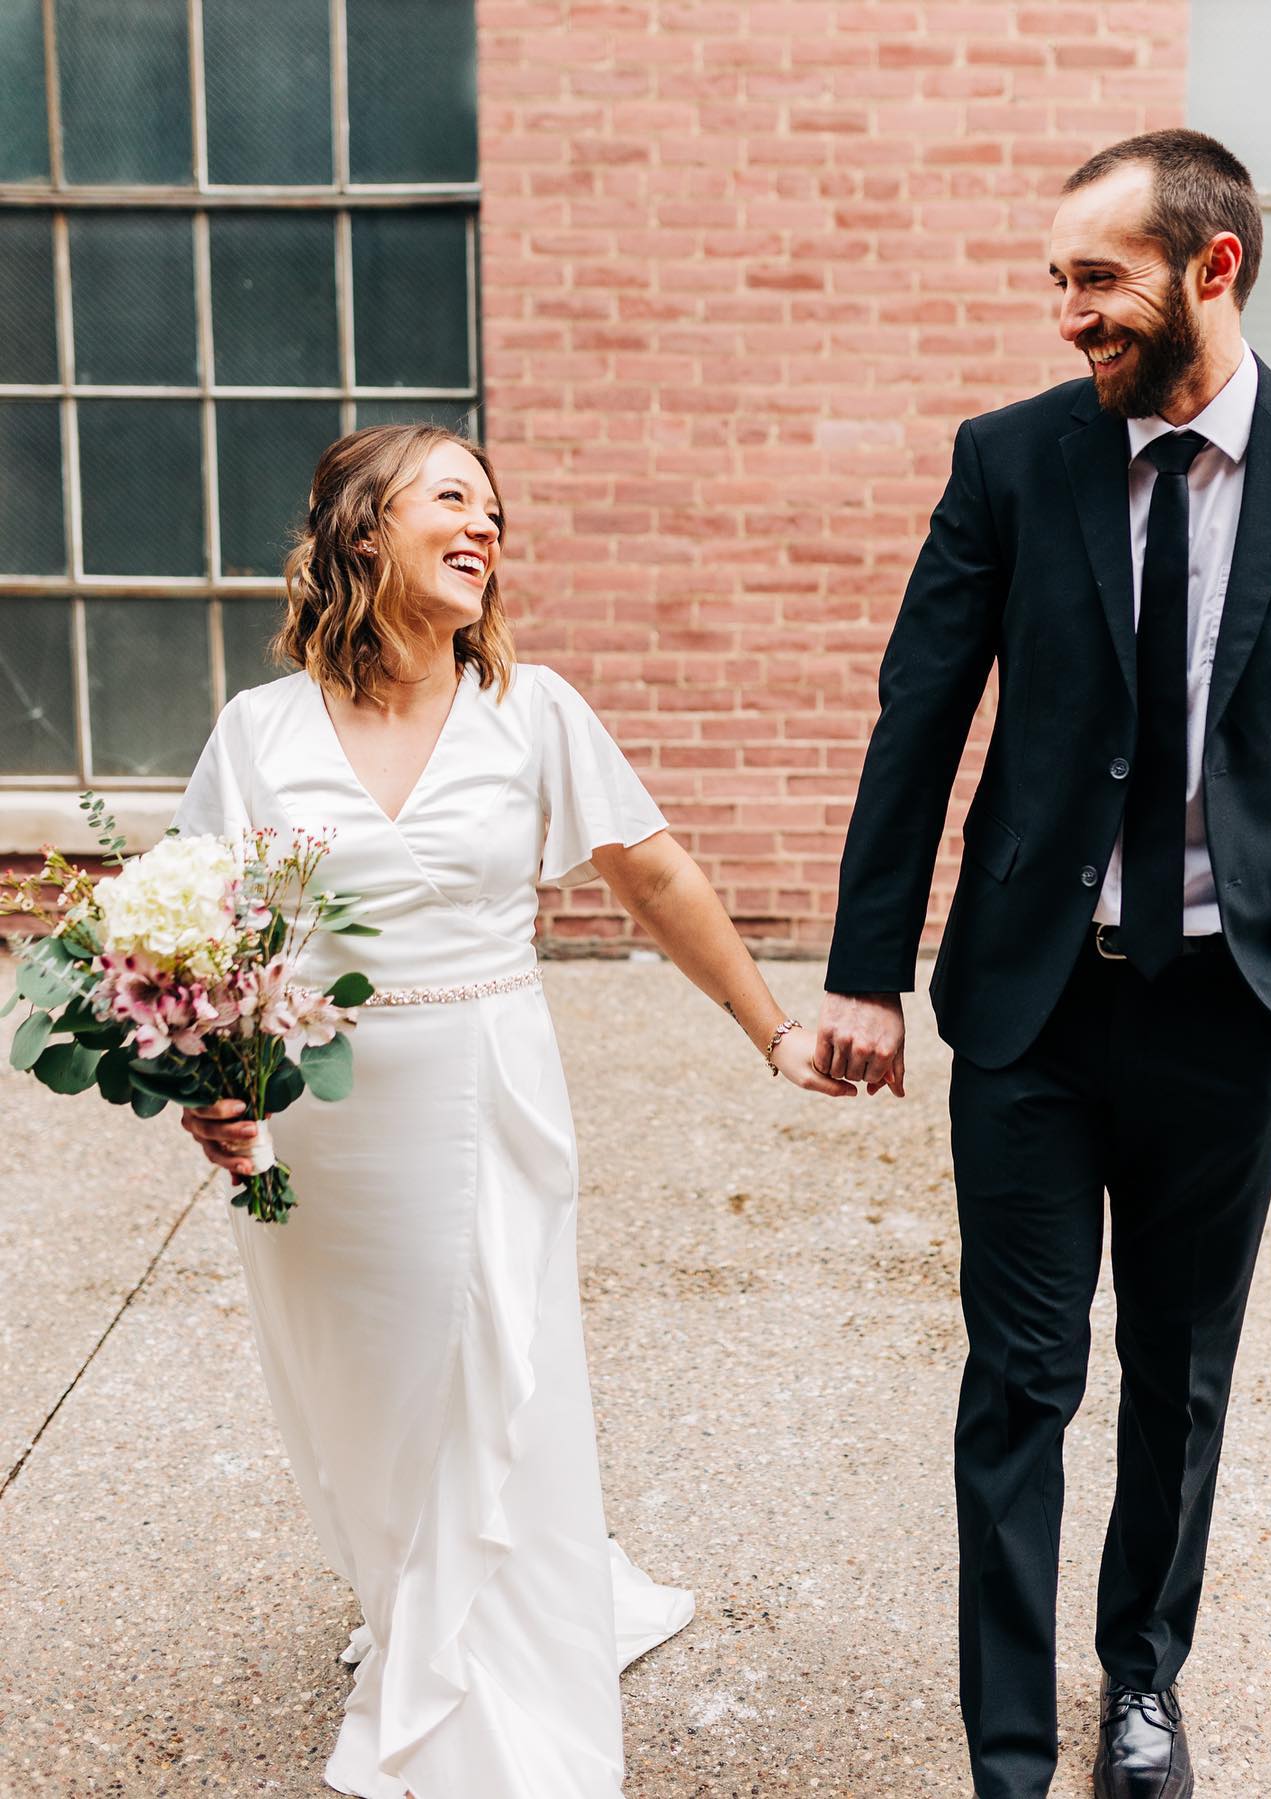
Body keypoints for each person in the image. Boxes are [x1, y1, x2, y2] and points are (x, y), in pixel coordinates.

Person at [814, 129, 1271, 1799]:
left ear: (1209, 268)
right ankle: (1009, 1756)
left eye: (1098, 280)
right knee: (1020, 1381)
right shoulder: (1013, 460)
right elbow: (918, 716)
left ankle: (1139, 1682)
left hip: (1233, 1011)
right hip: (1031, 1004)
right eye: (1060, 282)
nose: (1070, 315)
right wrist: (866, 966)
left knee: (1180, 1372)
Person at [173, 422, 853, 1799]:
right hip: (320, 1116)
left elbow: (653, 877)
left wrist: (771, 1030)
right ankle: (410, 1603)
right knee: (355, 1391)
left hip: (486, 1090)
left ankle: (499, 1678)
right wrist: (210, 1090)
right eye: (451, 499)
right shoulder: (259, 732)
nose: (486, 524)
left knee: (494, 1373)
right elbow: (208, 932)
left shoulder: (531, 709)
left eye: (495, 509)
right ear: (364, 531)